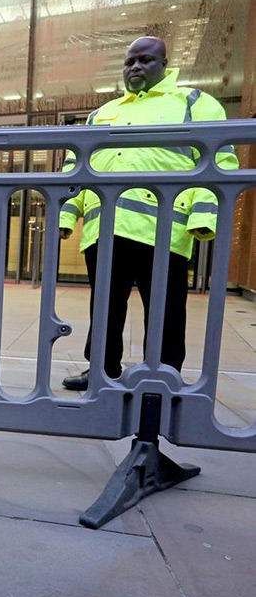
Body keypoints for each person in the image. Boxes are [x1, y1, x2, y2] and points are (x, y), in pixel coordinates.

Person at [59, 36, 239, 391]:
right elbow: (75, 168)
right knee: (105, 307)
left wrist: (202, 217)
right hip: (105, 227)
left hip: (163, 229)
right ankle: (101, 371)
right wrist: (67, 215)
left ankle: (163, 374)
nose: (136, 67)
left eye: (145, 60)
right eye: (129, 62)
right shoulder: (102, 113)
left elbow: (219, 161)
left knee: (166, 309)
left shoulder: (194, 102)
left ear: (165, 64)